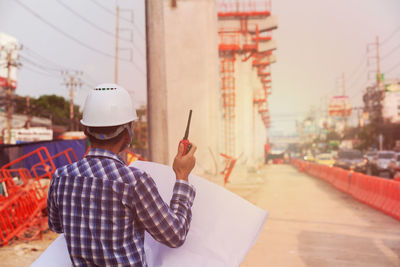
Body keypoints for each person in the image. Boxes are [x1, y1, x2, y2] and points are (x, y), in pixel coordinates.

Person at [47, 83, 197, 266]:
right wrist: (182, 175)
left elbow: (56, 225)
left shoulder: (60, 177)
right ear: (128, 133)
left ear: (85, 130)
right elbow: (175, 235)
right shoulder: (134, 182)